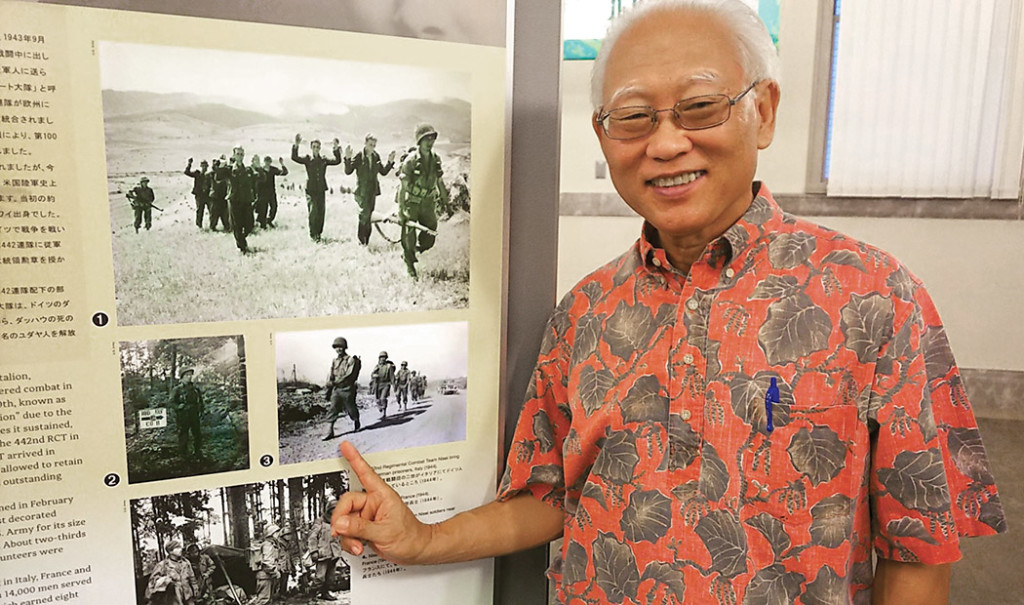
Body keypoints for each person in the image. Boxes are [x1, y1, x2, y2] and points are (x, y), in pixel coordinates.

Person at [330, 1, 1006, 604]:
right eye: (633, 117)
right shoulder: (585, 312)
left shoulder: (872, 298)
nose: (665, 142)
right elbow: (547, 497)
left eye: (700, 107)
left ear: (764, 111)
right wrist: (423, 538)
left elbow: (918, 545)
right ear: (604, 135)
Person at [396, 124, 448, 277]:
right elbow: (403, 187)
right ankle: (409, 263)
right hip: (412, 202)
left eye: (432, 139)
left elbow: (440, 182)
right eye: (427, 139)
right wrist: (401, 210)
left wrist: (446, 201)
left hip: (428, 204)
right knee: (409, 233)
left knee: (430, 234)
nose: (430, 142)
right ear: (419, 141)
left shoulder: (436, 160)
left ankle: (414, 250)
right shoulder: (411, 161)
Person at [344, 134, 396, 245]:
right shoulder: (359, 156)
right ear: (365, 143)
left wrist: (390, 162)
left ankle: (365, 241)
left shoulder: (376, 156)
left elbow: (383, 172)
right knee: (364, 215)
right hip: (362, 192)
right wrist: (347, 158)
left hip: (372, 192)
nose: (372, 147)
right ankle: (361, 240)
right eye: (370, 145)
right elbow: (348, 171)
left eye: (374, 145)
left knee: (369, 216)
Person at [292, 133, 342, 242]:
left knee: (321, 212)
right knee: (313, 211)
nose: (316, 148)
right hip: (310, 190)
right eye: (314, 146)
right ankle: (313, 234)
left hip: (321, 189)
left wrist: (336, 148)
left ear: (320, 148)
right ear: (311, 147)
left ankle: (318, 234)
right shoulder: (307, 159)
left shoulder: (323, 160)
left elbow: (337, 161)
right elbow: (294, 157)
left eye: (318, 147)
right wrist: (296, 144)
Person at [324, 336, 362, 439]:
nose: (338, 349)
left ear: (345, 347)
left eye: (340, 347)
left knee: (351, 408)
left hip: (347, 389)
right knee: (333, 407)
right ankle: (329, 431)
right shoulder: (334, 361)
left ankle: (356, 420)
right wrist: (329, 383)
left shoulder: (350, 360)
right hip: (336, 389)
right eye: (336, 347)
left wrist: (335, 382)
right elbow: (331, 373)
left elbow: (348, 374)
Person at [308, 501, 343, 601]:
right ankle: (311, 595)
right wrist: (313, 551)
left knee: (330, 577)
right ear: (329, 509)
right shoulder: (320, 521)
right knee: (320, 577)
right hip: (323, 553)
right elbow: (312, 537)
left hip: (334, 553)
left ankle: (325, 593)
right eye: (333, 509)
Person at [145, 540, 199, 605]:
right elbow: (152, 581)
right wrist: (167, 579)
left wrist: (195, 587)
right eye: (177, 547)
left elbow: (192, 577)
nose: (181, 549)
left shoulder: (186, 562)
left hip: (187, 595)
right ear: (170, 551)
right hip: (172, 598)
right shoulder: (162, 565)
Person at [226, 145, 257, 253]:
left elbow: (259, 179)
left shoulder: (248, 170)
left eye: (241, 154)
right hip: (234, 200)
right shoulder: (229, 169)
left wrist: (257, 168)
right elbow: (218, 177)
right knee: (237, 225)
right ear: (234, 155)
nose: (240, 156)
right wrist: (220, 166)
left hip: (246, 200)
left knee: (250, 225)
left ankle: (241, 239)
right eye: (238, 154)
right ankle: (242, 247)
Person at [172, 368, 203, 460]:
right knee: (183, 434)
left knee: (197, 434)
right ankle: (183, 455)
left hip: (194, 413)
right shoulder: (177, 389)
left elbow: (200, 401)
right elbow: (171, 402)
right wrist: (178, 407)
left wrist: (201, 411)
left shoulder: (195, 389)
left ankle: (197, 452)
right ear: (182, 377)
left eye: (190, 375)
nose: (189, 377)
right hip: (183, 414)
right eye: (187, 375)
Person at [252, 523, 283, 605]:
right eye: (276, 532)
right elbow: (267, 562)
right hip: (265, 576)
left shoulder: (272, 544)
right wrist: (276, 572)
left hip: (268, 576)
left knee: (268, 600)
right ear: (272, 534)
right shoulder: (268, 545)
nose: (278, 534)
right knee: (263, 600)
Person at [258, 155, 288, 229]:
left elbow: (285, 172)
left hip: (271, 192)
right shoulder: (260, 170)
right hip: (262, 193)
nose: (267, 163)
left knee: (274, 207)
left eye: (269, 161)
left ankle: (269, 220)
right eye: (266, 161)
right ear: (264, 161)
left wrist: (282, 164)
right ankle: (263, 225)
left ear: (270, 162)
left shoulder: (273, 169)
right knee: (263, 209)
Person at [369, 351, 397, 420]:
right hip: (378, 384)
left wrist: (394, 387)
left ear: (386, 358)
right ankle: (381, 408)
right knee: (377, 399)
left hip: (386, 384)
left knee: (383, 398)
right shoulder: (377, 366)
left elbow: (392, 377)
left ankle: (384, 413)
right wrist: (374, 375)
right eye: (381, 357)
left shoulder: (389, 366)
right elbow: (372, 374)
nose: (382, 359)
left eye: (384, 357)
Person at [184, 158, 209, 229]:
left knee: (212, 210)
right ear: (201, 166)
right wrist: (189, 164)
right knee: (200, 210)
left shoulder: (209, 175)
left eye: (205, 166)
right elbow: (187, 172)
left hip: (207, 195)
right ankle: (199, 225)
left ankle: (212, 226)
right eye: (203, 166)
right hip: (199, 195)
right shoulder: (197, 174)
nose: (204, 168)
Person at [207, 157, 231, 232]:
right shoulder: (213, 173)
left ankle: (226, 226)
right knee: (214, 213)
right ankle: (213, 226)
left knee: (224, 213)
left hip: (222, 195)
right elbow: (216, 181)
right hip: (215, 196)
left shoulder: (224, 173)